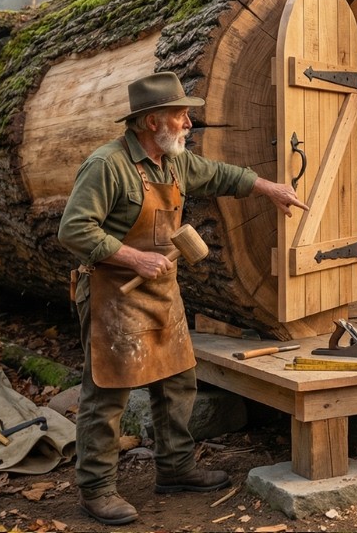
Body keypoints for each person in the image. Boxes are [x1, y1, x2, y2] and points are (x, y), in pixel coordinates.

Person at [58, 72, 309, 525]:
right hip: (113, 294)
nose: (189, 123)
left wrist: (268, 188)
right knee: (108, 394)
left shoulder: (174, 163)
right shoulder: (107, 165)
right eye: (180, 115)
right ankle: (96, 489)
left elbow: (219, 174)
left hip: (161, 291)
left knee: (177, 381)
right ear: (152, 121)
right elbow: (74, 229)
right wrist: (135, 258)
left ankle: (175, 468)